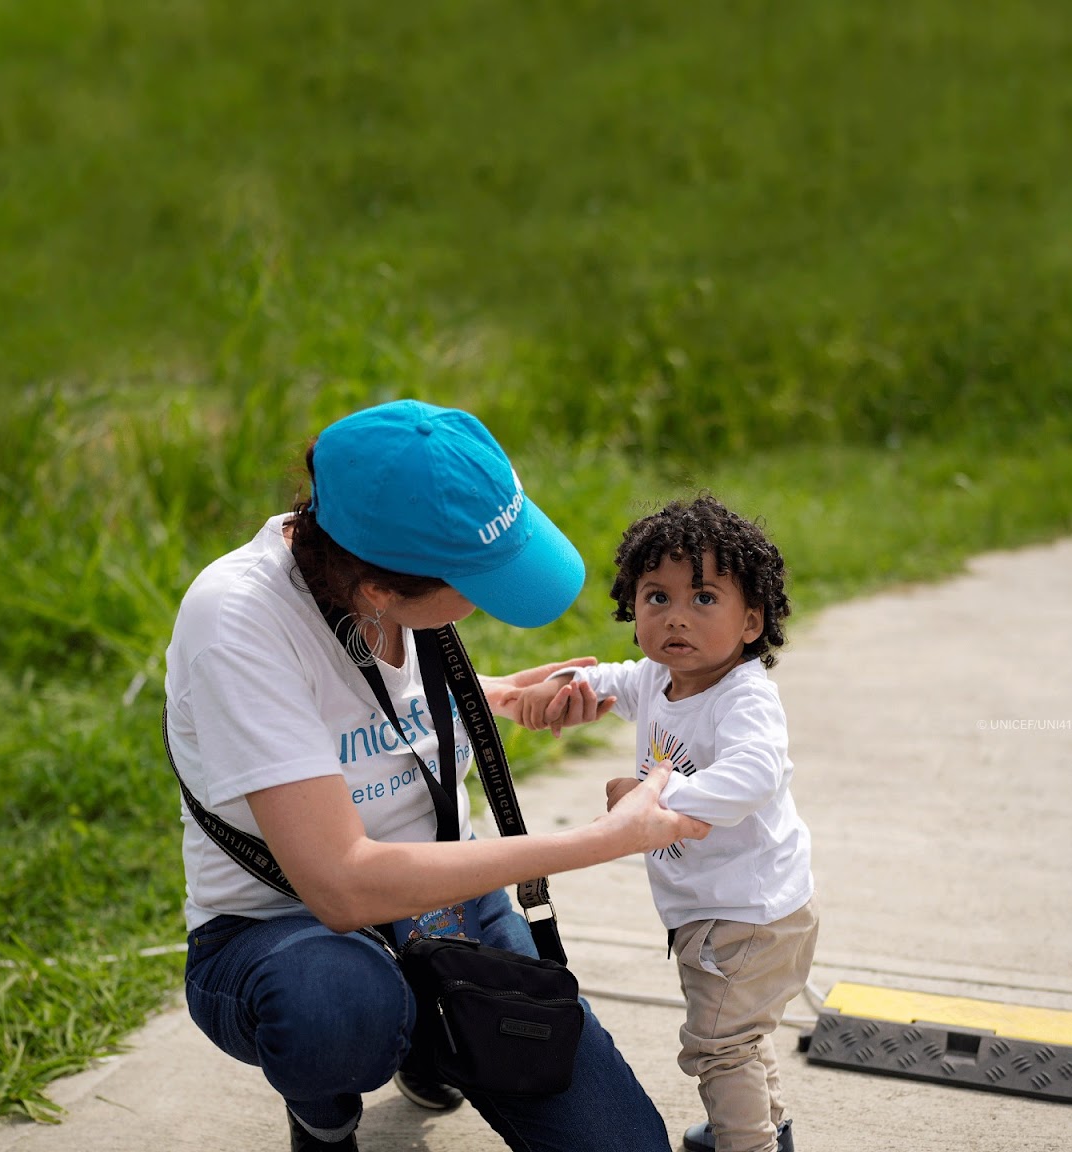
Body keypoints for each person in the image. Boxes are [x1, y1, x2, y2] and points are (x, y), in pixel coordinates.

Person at [163, 399, 710, 1152]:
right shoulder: (237, 625)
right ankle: (327, 1114)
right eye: (479, 582)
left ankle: (429, 1035)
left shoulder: (376, 561)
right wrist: (600, 840)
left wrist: (504, 696)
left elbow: (363, 709)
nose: (487, 601)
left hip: (450, 905)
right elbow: (343, 884)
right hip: (287, 930)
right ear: (380, 592)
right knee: (338, 1010)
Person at [517, 496, 818, 1152]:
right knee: (739, 1030)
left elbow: (754, 775)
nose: (676, 617)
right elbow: (614, 682)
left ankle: (750, 1143)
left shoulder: (744, 699)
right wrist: (568, 688)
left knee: (719, 1047)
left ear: (752, 621)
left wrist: (659, 795)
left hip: (747, 917)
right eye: (657, 597)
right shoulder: (660, 676)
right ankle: (770, 1125)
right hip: (721, 909)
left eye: (704, 599)